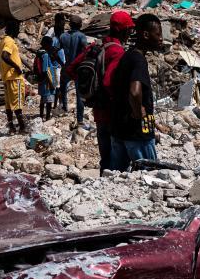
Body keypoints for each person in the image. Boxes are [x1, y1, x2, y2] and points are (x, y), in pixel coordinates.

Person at [66, 11, 132, 171]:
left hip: (98, 109)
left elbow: (71, 69)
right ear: (124, 30)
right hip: (112, 111)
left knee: (104, 152)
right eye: (130, 29)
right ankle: (113, 183)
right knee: (117, 155)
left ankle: (104, 176)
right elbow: (109, 83)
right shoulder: (117, 52)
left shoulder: (95, 46)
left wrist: (91, 89)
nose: (131, 33)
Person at [110, 13, 163, 171]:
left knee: (117, 176)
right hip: (138, 131)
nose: (161, 38)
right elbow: (134, 92)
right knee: (149, 174)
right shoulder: (139, 59)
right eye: (158, 34)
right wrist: (138, 111)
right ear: (146, 35)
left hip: (119, 127)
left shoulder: (127, 56)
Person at [0, 20, 28, 133]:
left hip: (6, 77)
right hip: (14, 77)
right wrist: (16, 67)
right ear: (12, 29)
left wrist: (4, 67)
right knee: (17, 103)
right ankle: (22, 127)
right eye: (17, 28)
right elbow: (5, 56)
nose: (18, 31)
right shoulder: (10, 41)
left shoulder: (3, 41)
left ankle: (11, 127)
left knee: (9, 104)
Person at [58, 15, 88, 122]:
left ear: (70, 25)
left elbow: (55, 51)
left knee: (63, 88)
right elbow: (86, 50)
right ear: (80, 25)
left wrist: (62, 63)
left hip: (67, 66)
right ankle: (79, 119)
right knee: (79, 94)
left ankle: (64, 107)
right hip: (78, 68)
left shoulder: (63, 36)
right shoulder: (81, 36)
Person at [37, 36, 58, 120]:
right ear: (47, 45)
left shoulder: (39, 52)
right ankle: (48, 117)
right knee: (49, 101)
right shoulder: (45, 54)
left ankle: (41, 115)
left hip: (42, 80)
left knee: (42, 99)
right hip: (47, 81)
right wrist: (51, 82)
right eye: (50, 44)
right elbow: (45, 69)